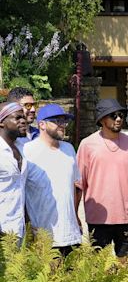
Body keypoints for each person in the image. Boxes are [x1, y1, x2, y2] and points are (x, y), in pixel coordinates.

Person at [77, 99, 128, 260]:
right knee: (99, 269)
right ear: (101, 119)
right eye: (113, 115)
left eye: (121, 114)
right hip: (98, 217)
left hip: (125, 216)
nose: (118, 118)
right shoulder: (87, 145)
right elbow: (79, 185)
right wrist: (74, 214)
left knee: (126, 265)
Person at [24, 104, 82, 256]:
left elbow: (76, 186)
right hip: (44, 237)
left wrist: (76, 216)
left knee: (74, 279)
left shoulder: (69, 149)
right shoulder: (27, 151)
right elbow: (20, 192)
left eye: (64, 121)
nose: (62, 125)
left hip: (71, 234)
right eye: (57, 121)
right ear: (41, 124)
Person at [0, 102, 28, 244]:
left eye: (23, 117)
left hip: (19, 228)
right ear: (2, 123)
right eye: (17, 118)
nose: (23, 121)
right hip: (2, 229)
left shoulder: (23, 148)